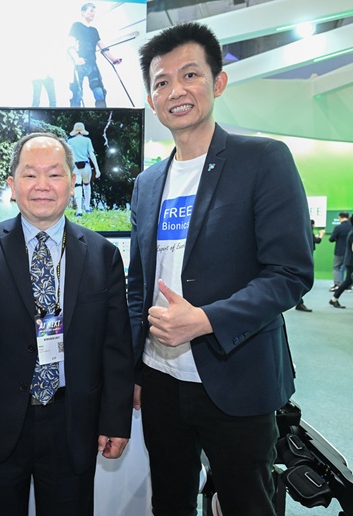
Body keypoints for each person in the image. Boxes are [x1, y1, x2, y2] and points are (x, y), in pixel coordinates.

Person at [128, 22, 313, 515]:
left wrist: (206, 319)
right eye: (162, 81)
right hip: (161, 378)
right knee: (169, 501)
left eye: (190, 74)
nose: (176, 90)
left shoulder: (262, 160)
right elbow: (137, 286)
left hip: (237, 377)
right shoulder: (147, 183)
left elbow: (290, 272)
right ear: (151, 99)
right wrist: (134, 369)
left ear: (219, 82)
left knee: (246, 503)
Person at [0, 133, 134, 515]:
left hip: (72, 423)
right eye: (30, 175)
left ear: (72, 182)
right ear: (12, 185)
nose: (42, 185)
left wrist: (115, 420)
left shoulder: (104, 254)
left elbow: (116, 347)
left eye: (54, 174)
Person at [68, 2, 122, 108]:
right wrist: (76, 58)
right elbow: (69, 45)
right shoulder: (76, 26)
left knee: (100, 92)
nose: (93, 13)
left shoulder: (94, 30)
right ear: (83, 12)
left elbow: (103, 47)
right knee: (77, 93)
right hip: (80, 65)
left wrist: (114, 59)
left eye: (94, 12)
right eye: (91, 11)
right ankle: (75, 114)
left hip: (92, 64)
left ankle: (102, 112)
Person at [67, 122, 101, 216]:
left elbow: (68, 156)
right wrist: (97, 169)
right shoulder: (87, 140)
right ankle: (87, 207)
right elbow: (91, 154)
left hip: (75, 167)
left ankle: (79, 210)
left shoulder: (70, 141)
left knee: (77, 186)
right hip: (86, 166)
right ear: (82, 130)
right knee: (87, 185)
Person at [295, 220, 326, 312]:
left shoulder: (303, 231)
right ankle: (299, 303)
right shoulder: (307, 231)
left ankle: (299, 302)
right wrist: (321, 234)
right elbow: (317, 240)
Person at [329, 226, 353, 308]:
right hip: (351, 262)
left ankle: (334, 299)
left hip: (350, 261)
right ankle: (334, 299)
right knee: (348, 281)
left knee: (348, 281)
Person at [328, 211, 351, 292]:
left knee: (336, 267)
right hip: (350, 252)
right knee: (349, 268)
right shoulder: (351, 226)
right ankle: (348, 285)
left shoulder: (338, 227)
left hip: (340, 251)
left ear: (340, 217)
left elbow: (331, 239)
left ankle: (337, 284)